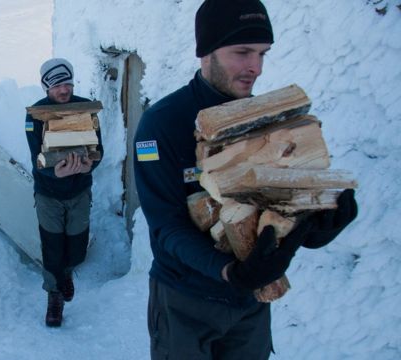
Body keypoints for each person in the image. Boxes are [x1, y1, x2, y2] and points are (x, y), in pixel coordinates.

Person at [133, 0, 358, 358]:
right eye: (242, 52)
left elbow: (279, 212)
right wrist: (228, 271)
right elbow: (166, 227)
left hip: (250, 305)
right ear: (206, 51)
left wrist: (318, 227)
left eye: (262, 54)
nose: (255, 67)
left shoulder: (270, 122)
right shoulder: (160, 126)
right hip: (184, 303)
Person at [25, 58, 103, 327]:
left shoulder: (86, 108)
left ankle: (66, 273)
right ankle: (54, 295)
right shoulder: (35, 114)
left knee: (77, 244)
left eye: (68, 83)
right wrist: (53, 173)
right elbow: (36, 154)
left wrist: (89, 165)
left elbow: (98, 148)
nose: (64, 89)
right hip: (48, 193)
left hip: (79, 191)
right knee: (52, 245)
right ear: (47, 85)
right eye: (58, 84)